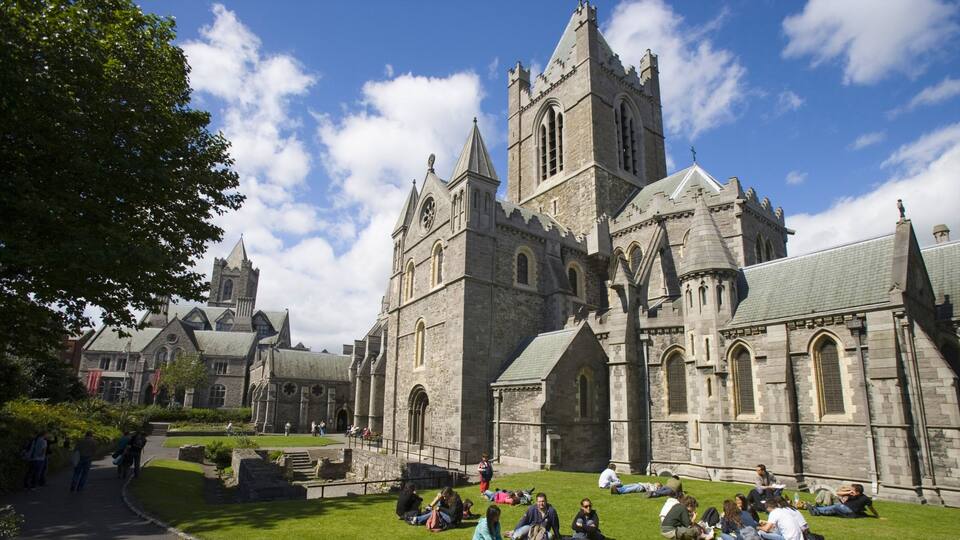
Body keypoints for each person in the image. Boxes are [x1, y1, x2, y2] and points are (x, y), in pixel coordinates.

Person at [807, 483, 878, 518]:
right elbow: (838, 493)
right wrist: (849, 492)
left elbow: (871, 508)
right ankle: (816, 510)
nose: (851, 490)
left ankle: (816, 509)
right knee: (834, 508)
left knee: (835, 507)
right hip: (844, 506)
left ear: (858, 492)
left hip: (849, 510)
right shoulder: (852, 494)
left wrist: (877, 515)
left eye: (853, 490)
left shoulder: (866, 498)